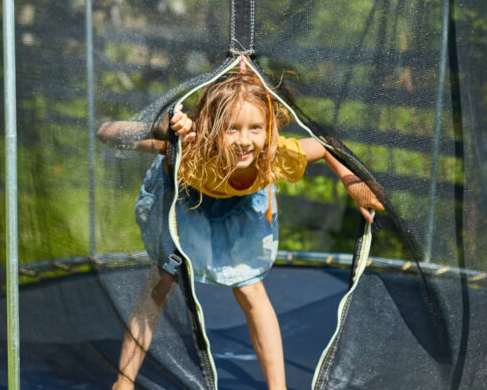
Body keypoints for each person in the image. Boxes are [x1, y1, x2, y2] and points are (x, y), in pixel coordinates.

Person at [97, 68, 384, 390]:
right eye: (232, 129)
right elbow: (107, 132)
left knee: (251, 289)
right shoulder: (193, 149)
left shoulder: (276, 156)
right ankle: (123, 381)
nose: (245, 141)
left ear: (269, 129)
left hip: (239, 209)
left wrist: (354, 183)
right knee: (161, 280)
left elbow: (327, 145)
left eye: (255, 128)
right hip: (188, 202)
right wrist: (161, 128)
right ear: (212, 128)